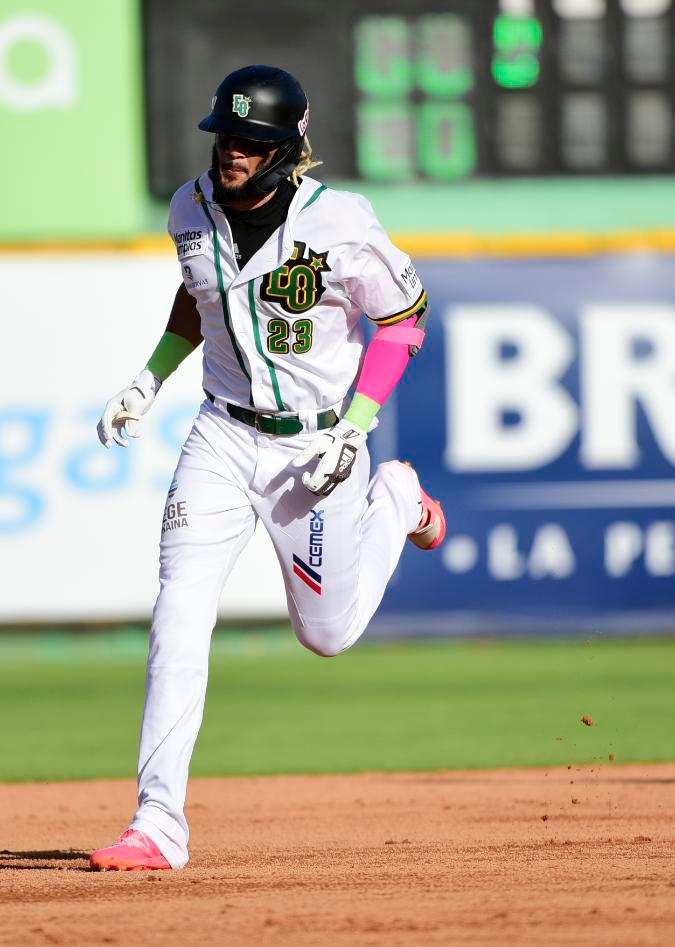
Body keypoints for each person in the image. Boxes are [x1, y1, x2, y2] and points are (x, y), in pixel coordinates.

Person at [89, 65, 446, 872]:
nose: (233, 152)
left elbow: (402, 318)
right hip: (220, 435)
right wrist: (149, 378)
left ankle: (397, 498)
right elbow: (199, 292)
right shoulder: (189, 206)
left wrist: (358, 429)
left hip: (316, 449)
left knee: (326, 634)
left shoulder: (341, 223)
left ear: (289, 150)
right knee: (179, 609)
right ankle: (157, 823)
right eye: (227, 135)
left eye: (252, 141)